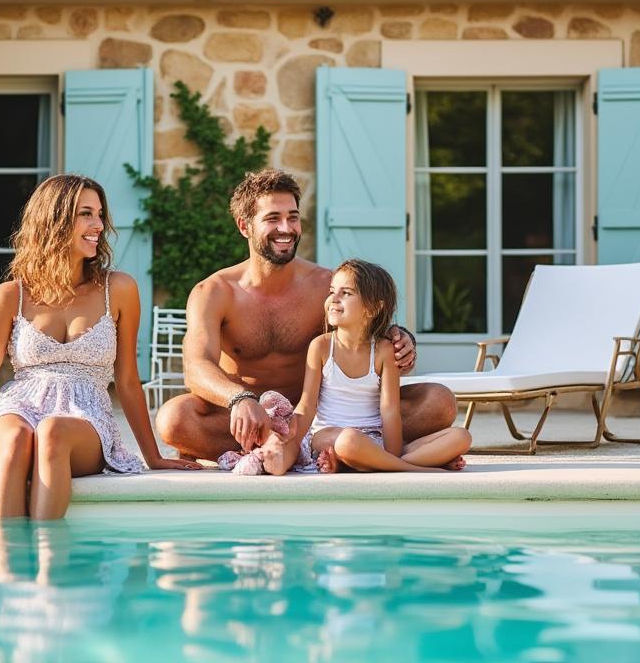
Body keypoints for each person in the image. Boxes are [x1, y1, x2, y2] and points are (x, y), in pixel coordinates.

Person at [0, 174, 199, 518]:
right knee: (15, 438)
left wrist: (153, 456)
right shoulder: (10, 295)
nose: (98, 225)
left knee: (52, 432)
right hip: (19, 406)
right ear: (54, 220)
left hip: (84, 417)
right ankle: (5, 548)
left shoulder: (118, 289)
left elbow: (128, 381)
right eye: (85, 214)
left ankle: (48, 549)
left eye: (100, 214)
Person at [156, 169, 458, 471]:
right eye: (273, 218)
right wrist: (241, 398)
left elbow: (365, 329)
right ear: (244, 226)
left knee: (439, 401)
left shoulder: (326, 286)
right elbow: (196, 367)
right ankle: (345, 453)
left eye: (293, 217)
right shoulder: (214, 292)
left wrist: (400, 339)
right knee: (174, 419)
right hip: (250, 418)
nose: (286, 228)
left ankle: (332, 451)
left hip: (321, 416)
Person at [281, 259, 470, 474]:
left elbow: (390, 410)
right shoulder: (321, 346)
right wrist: (290, 444)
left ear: (372, 308)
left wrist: (392, 453)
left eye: (346, 293)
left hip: (373, 438)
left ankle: (374, 463)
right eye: (332, 291)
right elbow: (307, 407)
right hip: (329, 435)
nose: (334, 298)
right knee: (348, 441)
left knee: (461, 436)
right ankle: (414, 467)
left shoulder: (383, 351)